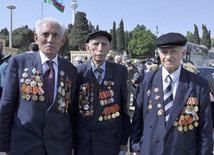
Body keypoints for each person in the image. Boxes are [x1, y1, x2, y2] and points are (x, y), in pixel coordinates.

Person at [0, 17, 77, 155]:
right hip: (24, 145)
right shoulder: (19, 63)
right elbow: (7, 105)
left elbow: (71, 111)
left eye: (55, 35)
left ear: (63, 40)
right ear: (36, 37)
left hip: (59, 147)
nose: (50, 39)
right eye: (45, 34)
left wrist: (72, 145)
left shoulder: (71, 69)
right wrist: (4, 144)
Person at [130, 32, 213, 155]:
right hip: (150, 150)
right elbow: (137, 118)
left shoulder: (198, 84)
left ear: (183, 54)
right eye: (164, 52)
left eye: (173, 51)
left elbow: (205, 127)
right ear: (159, 54)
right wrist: (135, 147)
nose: (168, 56)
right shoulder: (146, 80)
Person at [74, 30, 130, 155]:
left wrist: (124, 141)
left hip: (109, 141)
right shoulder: (78, 72)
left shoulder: (119, 71)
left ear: (109, 48)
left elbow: (124, 108)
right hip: (84, 141)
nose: (100, 48)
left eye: (104, 44)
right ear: (88, 48)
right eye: (96, 44)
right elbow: (72, 110)